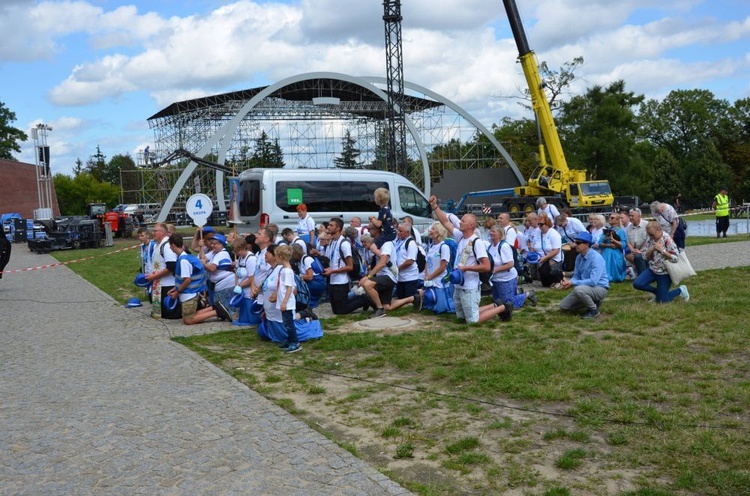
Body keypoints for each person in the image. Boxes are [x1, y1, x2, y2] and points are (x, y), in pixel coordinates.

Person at [430, 196, 511, 323]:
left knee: (472, 321)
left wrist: (466, 268)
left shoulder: (476, 242)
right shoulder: (460, 236)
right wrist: (435, 206)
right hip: (459, 284)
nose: (459, 222)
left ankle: (502, 307)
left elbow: (486, 266)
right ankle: (493, 305)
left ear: (471, 225)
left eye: (462, 221)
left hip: (470, 286)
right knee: (461, 318)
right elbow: (445, 222)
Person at [167, 234, 231, 325]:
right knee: (189, 316)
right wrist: (175, 288)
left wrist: (177, 292)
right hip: (191, 293)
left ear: (173, 245)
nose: (170, 248)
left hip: (188, 294)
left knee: (188, 320)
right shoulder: (186, 257)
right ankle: (213, 308)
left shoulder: (183, 261)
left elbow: (187, 280)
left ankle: (216, 312)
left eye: (170, 246)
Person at [632, 220, 690, 304]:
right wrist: (651, 249)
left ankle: (680, 290)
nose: (651, 237)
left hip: (665, 272)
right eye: (649, 235)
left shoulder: (667, 240)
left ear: (659, 230)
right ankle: (659, 293)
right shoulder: (650, 239)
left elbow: (676, 258)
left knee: (662, 301)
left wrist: (662, 251)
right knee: (637, 284)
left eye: (653, 234)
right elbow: (644, 256)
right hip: (653, 269)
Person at [559, 231, 610, 318]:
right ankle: (593, 301)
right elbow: (576, 276)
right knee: (564, 307)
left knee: (578, 290)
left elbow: (593, 281)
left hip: (600, 288)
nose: (575, 245)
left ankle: (593, 310)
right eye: (575, 242)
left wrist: (573, 283)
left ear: (587, 244)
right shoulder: (579, 257)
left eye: (578, 243)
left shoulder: (596, 258)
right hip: (585, 288)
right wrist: (569, 282)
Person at [323, 218, 368, 315]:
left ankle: (364, 299)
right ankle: (359, 299)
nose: (328, 227)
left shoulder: (344, 243)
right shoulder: (332, 242)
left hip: (341, 281)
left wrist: (333, 271)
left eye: (331, 225)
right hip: (332, 280)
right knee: (336, 310)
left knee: (341, 311)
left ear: (338, 228)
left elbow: (349, 266)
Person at [487, 225, 536, 310]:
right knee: (498, 302)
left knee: (507, 304)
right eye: (491, 231)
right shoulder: (490, 247)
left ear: (500, 234)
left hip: (506, 278)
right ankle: (517, 292)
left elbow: (510, 264)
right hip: (495, 279)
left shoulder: (504, 246)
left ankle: (528, 294)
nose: (491, 233)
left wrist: (495, 270)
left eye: (493, 231)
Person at [358, 223, 398, 317]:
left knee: (367, 284)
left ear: (376, 230)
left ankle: (379, 310)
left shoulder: (386, 244)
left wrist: (368, 276)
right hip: (383, 275)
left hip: (389, 275)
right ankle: (413, 298)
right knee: (387, 306)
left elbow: (383, 262)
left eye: (370, 229)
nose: (368, 231)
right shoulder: (376, 244)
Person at [146, 223, 181, 319]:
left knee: (169, 313)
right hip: (159, 283)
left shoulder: (166, 246)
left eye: (155, 231)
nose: (153, 233)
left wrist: (154, 277)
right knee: (163, 312)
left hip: (168, 284)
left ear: (162, 233)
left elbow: (171, 266)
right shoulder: (157, 245)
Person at [384, 222, 422, 312]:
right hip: (400, 276)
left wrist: (397, 268)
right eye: (398, 230)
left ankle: (421, 296)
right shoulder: (398, 241)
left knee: (410, 297)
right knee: (401, 297)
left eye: (401, 231)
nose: (398, 232)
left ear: (408, 232)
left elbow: (410, 261)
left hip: (409, 276)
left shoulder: (411, 243)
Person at [274, 245, 301, 353]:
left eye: (276, 257)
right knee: (286, 322)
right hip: (283, 300)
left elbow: (290, 287)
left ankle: (295, 342)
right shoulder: (284, 270)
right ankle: (290, 340)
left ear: (281, 257)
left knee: (289, 323)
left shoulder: (287, 271)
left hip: (287, 302)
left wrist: (284, 302)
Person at [200, 233, 235, 316]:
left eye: (214, 244)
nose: (212, 246)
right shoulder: (214, 253)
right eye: (211, 243)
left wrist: (204, 264)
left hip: (226, 284)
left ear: (221, 244)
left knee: (225, 308)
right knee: (219, 307)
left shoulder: (222, 254)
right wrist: (201, 247)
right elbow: (203, 258)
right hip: (218, 284)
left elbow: (212, 268)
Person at [230, 237, 260, 326]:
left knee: (249, 313)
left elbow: (252, 278)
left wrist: (240, 285)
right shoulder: (240, 259)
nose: (236, 254)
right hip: (241, 290)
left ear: (243, 248)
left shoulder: (251, 259)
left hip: (248, 290)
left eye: (237, 251)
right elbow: (237, 273)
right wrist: (236, 284)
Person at [530, 213, 564, 288]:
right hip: (541, 256)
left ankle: (559, 280)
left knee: (550, 269)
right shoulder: (537, 233)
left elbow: (556, 250)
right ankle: (550, 282)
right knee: (544, 280)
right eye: (538, 224)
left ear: (547, 224)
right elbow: (533, 244)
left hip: (554, 256)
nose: (539, 226)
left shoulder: (554, 234)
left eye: (541, 224)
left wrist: (545, 258)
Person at [598, 213, 627, 282]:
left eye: (612, 218)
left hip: (616, 252)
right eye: (609, 217)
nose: (610, 219)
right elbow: (599, 243)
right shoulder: (606, 231)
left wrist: (614, 241)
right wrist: (608, 245)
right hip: (606, 252)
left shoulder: (620, 231)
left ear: (617, 220)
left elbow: (623, 244)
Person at [625, 208, 649, 276]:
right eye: (630, 216)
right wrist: (633, 250)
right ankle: (643, 273)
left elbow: (648, 241)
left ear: (639, 216)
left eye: (632, 216)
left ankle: (642, 275)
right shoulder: (628, 228)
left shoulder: (646, 225)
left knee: (638, 256)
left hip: (646, 250)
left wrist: (640, 251)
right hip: (634, 251)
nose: (630, 217)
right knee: (628, 256)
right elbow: (628, 242)